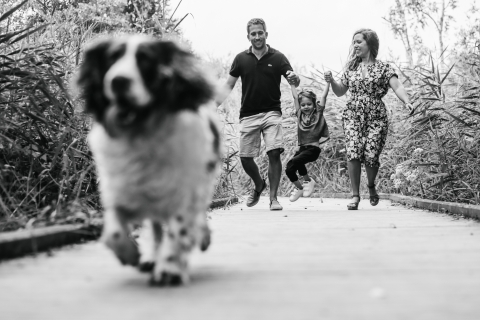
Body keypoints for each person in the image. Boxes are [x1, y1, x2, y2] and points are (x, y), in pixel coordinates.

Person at [216, 18, 300, 211]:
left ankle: (273, 198)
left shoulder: (278, 57)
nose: (257, 36)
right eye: (253, 33)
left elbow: (292, 78)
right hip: (248, 114)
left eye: (260, 32)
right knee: (245, 157)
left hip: (272, 112)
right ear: (248, 37)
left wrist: (294, 79)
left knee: (274, 152)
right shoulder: (240, 59)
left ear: (266, 34)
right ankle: (259, 184)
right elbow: (228, 85)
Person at [324, 28, 413, 210]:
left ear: (369, 44)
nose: (355, 45)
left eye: (359, 42)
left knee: (371, 155)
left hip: (376, 116)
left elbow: (397, 87)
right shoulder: (351, 68)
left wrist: (407, 102)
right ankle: (355, 195)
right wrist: (332, 81)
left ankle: (371, 186)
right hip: (353, 115)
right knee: (353, 151)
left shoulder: (383, 68)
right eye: (354, 42)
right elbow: (340, 91)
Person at [286, 87, 329, 202]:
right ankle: (300, 187)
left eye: (309, 104)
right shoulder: (300, 115)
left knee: (295, 161)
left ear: (314, 104)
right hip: (302, 148)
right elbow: (295, 97)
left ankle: (308, 181)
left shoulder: (318, 113)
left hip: (313, 149)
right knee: (289, 169)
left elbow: (324, 97)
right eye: (303, 105)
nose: (306, 107)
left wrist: (328, 82)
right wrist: (292, 84)